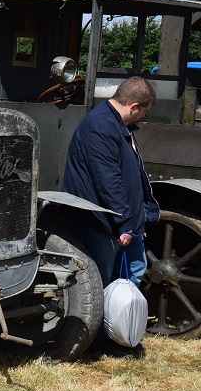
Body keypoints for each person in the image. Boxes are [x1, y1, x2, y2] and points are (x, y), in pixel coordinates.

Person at [62, 76, 160, 290]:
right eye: (144, 112)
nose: (143, 117)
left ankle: (121, 321)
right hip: (103, 222)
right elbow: (108, 181)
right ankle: (105, 323)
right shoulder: (101, 127)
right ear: (134, 107)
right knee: (102, 281)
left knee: (132, 272)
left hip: (122, 220)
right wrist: (123, 223)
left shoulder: (117, 124)